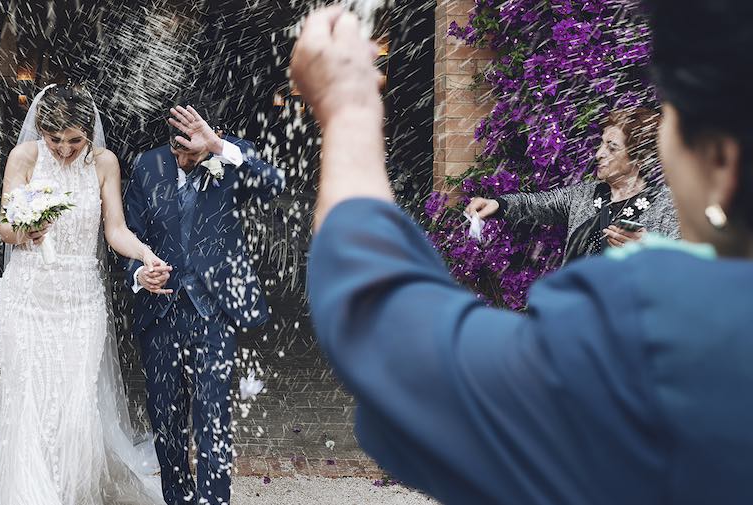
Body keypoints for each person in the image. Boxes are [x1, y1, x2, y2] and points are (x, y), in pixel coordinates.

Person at [295, 2, 753, 504]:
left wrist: (349, 110)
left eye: (671, 117)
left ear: (720, 159)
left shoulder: (648, 331)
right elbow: (543, 204)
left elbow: (389, 342)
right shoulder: (588, 199)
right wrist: (503, 204)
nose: (600, 154)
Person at [0, 83, 165, 505]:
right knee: (27, 397)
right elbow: (5, 226)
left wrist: (145, 254)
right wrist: (25, 231)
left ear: (90, 131)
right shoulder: (23, 157)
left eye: (75, 140)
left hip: (81, 301)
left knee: (76, 401)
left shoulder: (104, 163)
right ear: (40, 131)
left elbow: (115, 229)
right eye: (54, 139)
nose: (63, 149)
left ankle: (71, 492)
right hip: (26, 298)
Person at [123, 100, 285, 505]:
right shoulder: (146, 166)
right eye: (177, 151)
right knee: (166, 416)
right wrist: (139, 275)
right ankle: (177, 498)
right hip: (160, 312)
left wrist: (215, 146)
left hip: (216, 311)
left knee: (214, 413)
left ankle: (215, 500)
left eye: (192, 152)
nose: (184, 161)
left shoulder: (229, 155)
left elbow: (275, 183)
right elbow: (128, 235)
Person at [466, 108, 680, 264]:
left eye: (612, 147)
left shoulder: (667, 206)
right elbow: (536, 204)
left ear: (639, 159)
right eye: (601, 144)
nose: (599, 154)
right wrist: (498, 204)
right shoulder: (584, 195)